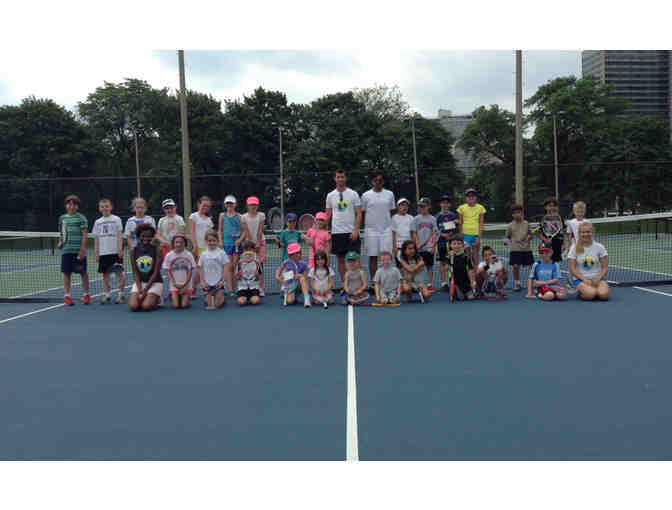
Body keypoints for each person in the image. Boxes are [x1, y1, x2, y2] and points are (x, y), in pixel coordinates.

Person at [325, 169, 362, 290]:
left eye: (342, 177)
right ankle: (345, 286)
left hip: (351, 233)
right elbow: (328, 215)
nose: (340, 179)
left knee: (355, 260)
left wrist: (356, 230)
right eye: (338, 177)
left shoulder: (353, 194)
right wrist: (324, 230)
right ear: (335, 179)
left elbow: (359, 213)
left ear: (345, 178)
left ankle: (357, 286)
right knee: (341, 261)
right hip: (337, 233)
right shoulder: (330, 195)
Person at [361, 171, 396, 285]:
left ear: (383, 181)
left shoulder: (390, 194)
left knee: (386, 257)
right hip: (371, 231)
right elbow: (362, 213)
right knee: (373, 257)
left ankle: (387, 282)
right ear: (372, 182)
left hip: (386, 230)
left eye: (380, 180)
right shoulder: (366, 195)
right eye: (375, 180)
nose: (378, 182)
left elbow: (391, 212)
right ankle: (374, 283)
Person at [58, 195, 91, 305]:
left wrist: (82, 249)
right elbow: (62, 232)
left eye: (74, 204)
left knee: (83, 273)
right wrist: (60, 241)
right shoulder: (62, 218)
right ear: (66, 205)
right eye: (69, 204)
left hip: (78, 251)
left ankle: (86, 295)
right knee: (66, 273)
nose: (71, 206)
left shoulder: (81, 218)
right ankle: (67, 296)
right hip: (66, 250)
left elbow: (85, 234)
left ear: (77, 206)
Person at [567, 221, 610, 301]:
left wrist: (598, 278)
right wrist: (584, 279)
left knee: (604, 295)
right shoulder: (574, 248)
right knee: (590, 295)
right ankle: (581, 292)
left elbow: (605, 267)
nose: (586, 234)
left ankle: (593, 290)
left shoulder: (600, 247)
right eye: (583, 232)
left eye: (588, 232)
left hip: (597, 279)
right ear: (579, 234)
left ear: (593, 232)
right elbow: (572, 269)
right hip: (580, 280)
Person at [92, 198, 124, 304]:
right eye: (102, 206)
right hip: (103, 253)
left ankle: (121, 294)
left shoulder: (116, 219)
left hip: (115, 252)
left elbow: (120, 235)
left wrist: (120, 249)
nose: (105, 208)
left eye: (107, 206)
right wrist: (96, 252)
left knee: (119, 273)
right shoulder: (97, 222)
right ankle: (107, 295)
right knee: (105, 275)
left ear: (111, 207)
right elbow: (96, 239)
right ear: (99, 208)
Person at [129, 223, 163, 312]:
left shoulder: (157, 250)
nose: (146, 238)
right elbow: (135, 272)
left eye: (149, 236)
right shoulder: (133, 250)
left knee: (146, 306)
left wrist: (145, 290)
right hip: (140, 283)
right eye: (143, 236)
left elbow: (156, 273)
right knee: (134, 306)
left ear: (152, 237)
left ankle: (158, 300)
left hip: (155, 282)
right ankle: (147, 297)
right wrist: (140, 289)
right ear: (138, 236)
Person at [410, 197, 439, 292]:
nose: (422, 208)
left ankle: (430, 284)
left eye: (424, 206)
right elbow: (413, 232)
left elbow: (435, 233)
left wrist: (433, 246)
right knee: (418, 266)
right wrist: (417, 244)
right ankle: (418, 284)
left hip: (429, 248)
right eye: (420, 206)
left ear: (429, 207)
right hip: (418, 248)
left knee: (429, 266)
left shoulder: (433, 219)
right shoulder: (416, 219)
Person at [188, 196, 214, 298]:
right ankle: (192, 290)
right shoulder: (193, 216)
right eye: (204, 205)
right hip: (198, 248)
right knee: (198, 270)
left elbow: (211, 234)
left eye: (207, 206)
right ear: (199, 205)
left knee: (204, 271)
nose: (205, 207)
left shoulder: (209, 219)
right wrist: (195, 246)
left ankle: (200, 288)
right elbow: (192, 232)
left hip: (207, 248)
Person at [162, 233, 196, 309]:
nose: (179, 244)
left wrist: (185, 285)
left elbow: (190, 271)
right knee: (175, 306)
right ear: (173, 244)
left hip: (186, 285)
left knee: (184, 305)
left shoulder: (188, 255)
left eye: (181, 242)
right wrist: (174, 283)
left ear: (185, 243)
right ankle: (174, 295)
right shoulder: (169, 255)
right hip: (175, 285)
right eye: (176, 242)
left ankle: (183, 296)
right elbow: (168, 271)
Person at [240, 196, 266, 296]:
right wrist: (252, 245)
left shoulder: (261, 215)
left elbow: (260, 230)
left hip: (261, 242)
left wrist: (258, 243)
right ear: (247, 205)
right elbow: (246, 231)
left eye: (255, 204)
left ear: (257, 205)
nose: (253, 206)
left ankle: (260, 287)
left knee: (260, 266)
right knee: (248, 265)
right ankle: (247, 286)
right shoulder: (243, 217)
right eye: (251, 204)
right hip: (248, 245)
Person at [218, 195, 243, 296]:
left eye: (231, 203)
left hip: (236, 245)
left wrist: (240, 240)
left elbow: (244, 231)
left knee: (234, 266)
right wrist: (220, 241)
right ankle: (230, 289)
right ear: (225, 205)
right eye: (228, 203)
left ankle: (235, 288)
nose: (229, 205)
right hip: (227, 244)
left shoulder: (240, 216)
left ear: (235, 204)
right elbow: (220, 230)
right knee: (228, 267)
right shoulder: (222, 216)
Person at [198, 229, 229, 309]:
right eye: (209, 241)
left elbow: (226, 267)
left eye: (214, 240)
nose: (212, 242)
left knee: (217, 305)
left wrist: (222, 281)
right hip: (207, 284)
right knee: (209, 305)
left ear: (217, 241)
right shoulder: (203, 254)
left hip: (218, 284)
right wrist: (203, 282)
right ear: (206, 241)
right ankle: (209, 296)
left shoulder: (222, 253)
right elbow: (200, 268)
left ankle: (222, 296)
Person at [506, 204, 534, 291]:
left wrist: (529, 237)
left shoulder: (527, 224)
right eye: (514, 213)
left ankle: (536, 282)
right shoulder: (510, 225)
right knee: (515, 266)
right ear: (512, 215)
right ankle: (517, 283)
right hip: (515, 249)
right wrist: (508, 243)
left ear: (522, 213)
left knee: (532, 266)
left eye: (518, 212)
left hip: (526, 249)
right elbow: (508, 237)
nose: (517, 214)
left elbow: (531, 234)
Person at [435, 194, 460, 291]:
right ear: (440, 204)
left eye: (447, 203)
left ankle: (453, 280)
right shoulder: (437, 216)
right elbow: (435, 230)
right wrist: (443, 235)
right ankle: (443, 283)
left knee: (453, 262)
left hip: (452, 244)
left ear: (450, 204)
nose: (445, 205)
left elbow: (457, 228)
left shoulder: (454, 216)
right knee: (442, 262)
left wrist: (452, 232)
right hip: (441, 243)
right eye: (443, 203)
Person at [275, 242, 311, 307]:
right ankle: (289, 294)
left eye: (299, 253)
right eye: (295, 253)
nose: (298, 255)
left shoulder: (303, 264)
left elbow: (305, 277)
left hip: (299, 285)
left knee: (302, 279)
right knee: (290, 301)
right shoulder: (286, 262)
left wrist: (300, 276)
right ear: (290, 255)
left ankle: (307, 299)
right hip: (289, 285)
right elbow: (279, 270)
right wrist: (277, 276)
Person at [457, 188, 486, 267]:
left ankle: (476, 275)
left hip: (476, 234)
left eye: (473, 196)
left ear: (476, 197)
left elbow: (481, 223)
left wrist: (479, 237)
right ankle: (469, 274)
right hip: (465, 235)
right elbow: (460, 222)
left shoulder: (480, 208)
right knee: (467, 256)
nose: (471, 197)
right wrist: (460, 235)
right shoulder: (461, 208)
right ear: (466, 198)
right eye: (468, 196)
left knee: (476, 255)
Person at [536, 197, 567, 264]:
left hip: (558, 244)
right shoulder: (543, 218)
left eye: (554, 206)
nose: (552, 207)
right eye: (550, 206)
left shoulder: (560, 217)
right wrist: (545, 240)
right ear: (545, 207)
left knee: (556, 263)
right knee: (546, 262)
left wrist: (564, 244)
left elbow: (563, 231)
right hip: (547, 245)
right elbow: (538, 232)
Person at [447, 236, 476, 301]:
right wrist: (448, 259)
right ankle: (455, 291)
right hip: (455, 282)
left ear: (462, 245)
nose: (456, 246)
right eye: (454, 244)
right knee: (461, 298)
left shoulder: (466, 257)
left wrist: (472, 281)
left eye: (459, 243)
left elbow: (470, 270)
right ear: (450, 245)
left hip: (466, 281)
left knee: (471, 298)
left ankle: (469, 291)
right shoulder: (449, 257)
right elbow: (447, 268)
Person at [235, 241, 263, 306]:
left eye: (250, 249)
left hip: (254, 287)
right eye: (246, 249)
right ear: (243, 251)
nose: (248, 252)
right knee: (241, 302)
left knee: (255, 301)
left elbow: (259, 277)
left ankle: (251, 298)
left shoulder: (257, 262)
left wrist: (257, 275)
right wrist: (239, 275)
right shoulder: (239, 263)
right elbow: (237, 278)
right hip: (242, 287)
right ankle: (244, 298)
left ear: (253, 250)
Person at [391, 198, 414, 267]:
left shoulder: (411, 218)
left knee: (410, 267)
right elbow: (393, 234)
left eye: (406, 205)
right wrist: (394, 247)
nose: (405, 207)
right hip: (399, 247)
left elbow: (412, 233)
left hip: (409, 247)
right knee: (400, 267)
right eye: (402, 205)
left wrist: (413, 246)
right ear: (398, 206)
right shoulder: (394, 218)